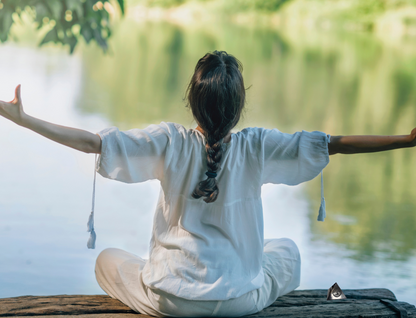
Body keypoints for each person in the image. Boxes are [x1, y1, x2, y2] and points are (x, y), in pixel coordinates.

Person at [1, 50, 415, 317]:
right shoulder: (258, 146)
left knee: (106, 259)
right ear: (239, 107)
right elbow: (333, 145)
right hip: (238, 300)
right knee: (287, 252)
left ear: (192, 100)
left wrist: (26, 119)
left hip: (171, 301)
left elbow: (93, 142)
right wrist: (407, 140)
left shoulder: (168, 142)